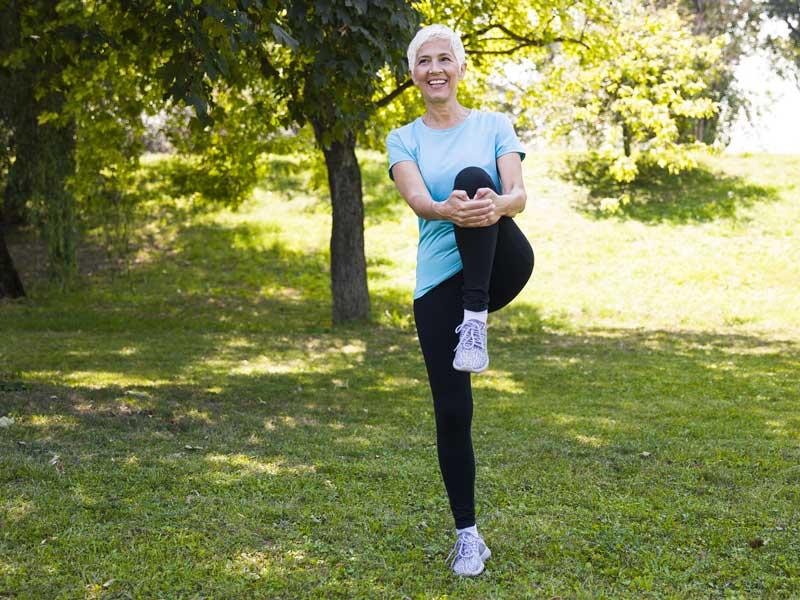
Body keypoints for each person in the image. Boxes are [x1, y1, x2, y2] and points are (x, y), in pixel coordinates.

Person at [386, 24, 535, 576]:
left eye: (444, 59)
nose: (434, 69)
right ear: (413, 75)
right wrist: (450, 209)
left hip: (501, 263)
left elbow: (518, 193)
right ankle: (469, 537)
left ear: (461, 68)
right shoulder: (403, 138)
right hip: (438, 284)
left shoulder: (495, 124)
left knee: (478, 177)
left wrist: (494, 205)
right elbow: (419, 200)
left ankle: (477, 318)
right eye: (423, 61)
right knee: (452, 412)